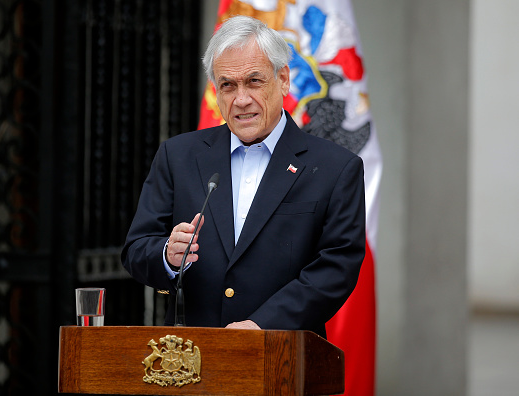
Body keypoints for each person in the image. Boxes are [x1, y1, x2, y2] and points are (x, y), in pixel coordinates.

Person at [121, 15, 365, 337]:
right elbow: (136, 249)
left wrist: (262, 325)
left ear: (283, 80)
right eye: (228, 85)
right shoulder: (178, 156)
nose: (241, 99)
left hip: (284, 362)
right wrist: (167, 254)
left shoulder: (336, 168)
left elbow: (336, 269)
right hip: (191, 364)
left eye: (254, 81)